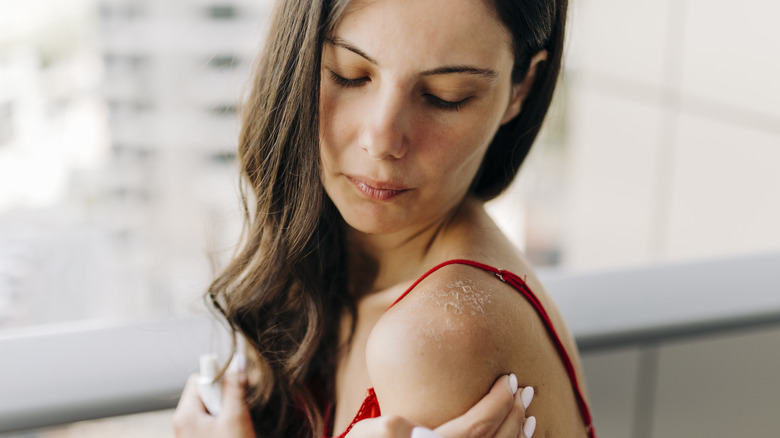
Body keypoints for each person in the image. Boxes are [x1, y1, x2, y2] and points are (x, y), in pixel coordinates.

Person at [174, 0, 596, 437]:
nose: (381, 140)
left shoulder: (434, 337)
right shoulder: (325, 256)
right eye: (349, 74)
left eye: (445, 96)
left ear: (521, 88)